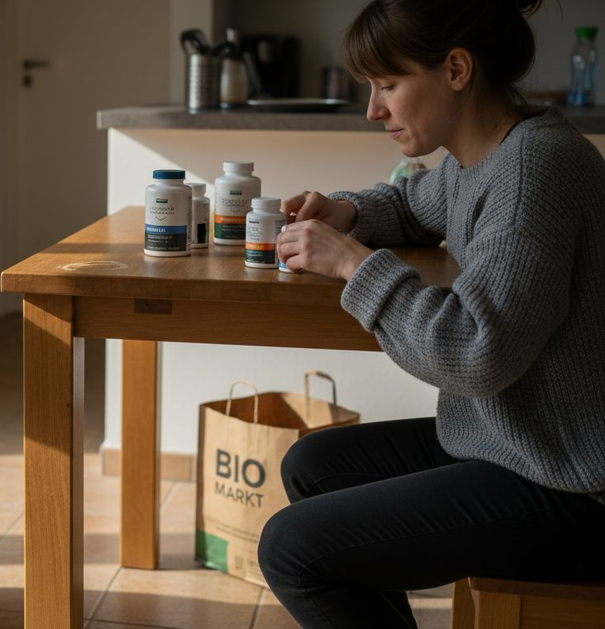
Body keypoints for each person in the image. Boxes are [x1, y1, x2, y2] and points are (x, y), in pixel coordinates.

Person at [257, 0, 605, 627]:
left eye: (388, 84)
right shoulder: (489, 156)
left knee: (292, 548)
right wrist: (346, 213)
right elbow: (417, 202)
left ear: (456, 69)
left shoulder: (534, 169)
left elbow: (476, 354)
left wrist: (353, 265)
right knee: (311, 467)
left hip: (573, 482)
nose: (374, 109)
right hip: (513, 443)